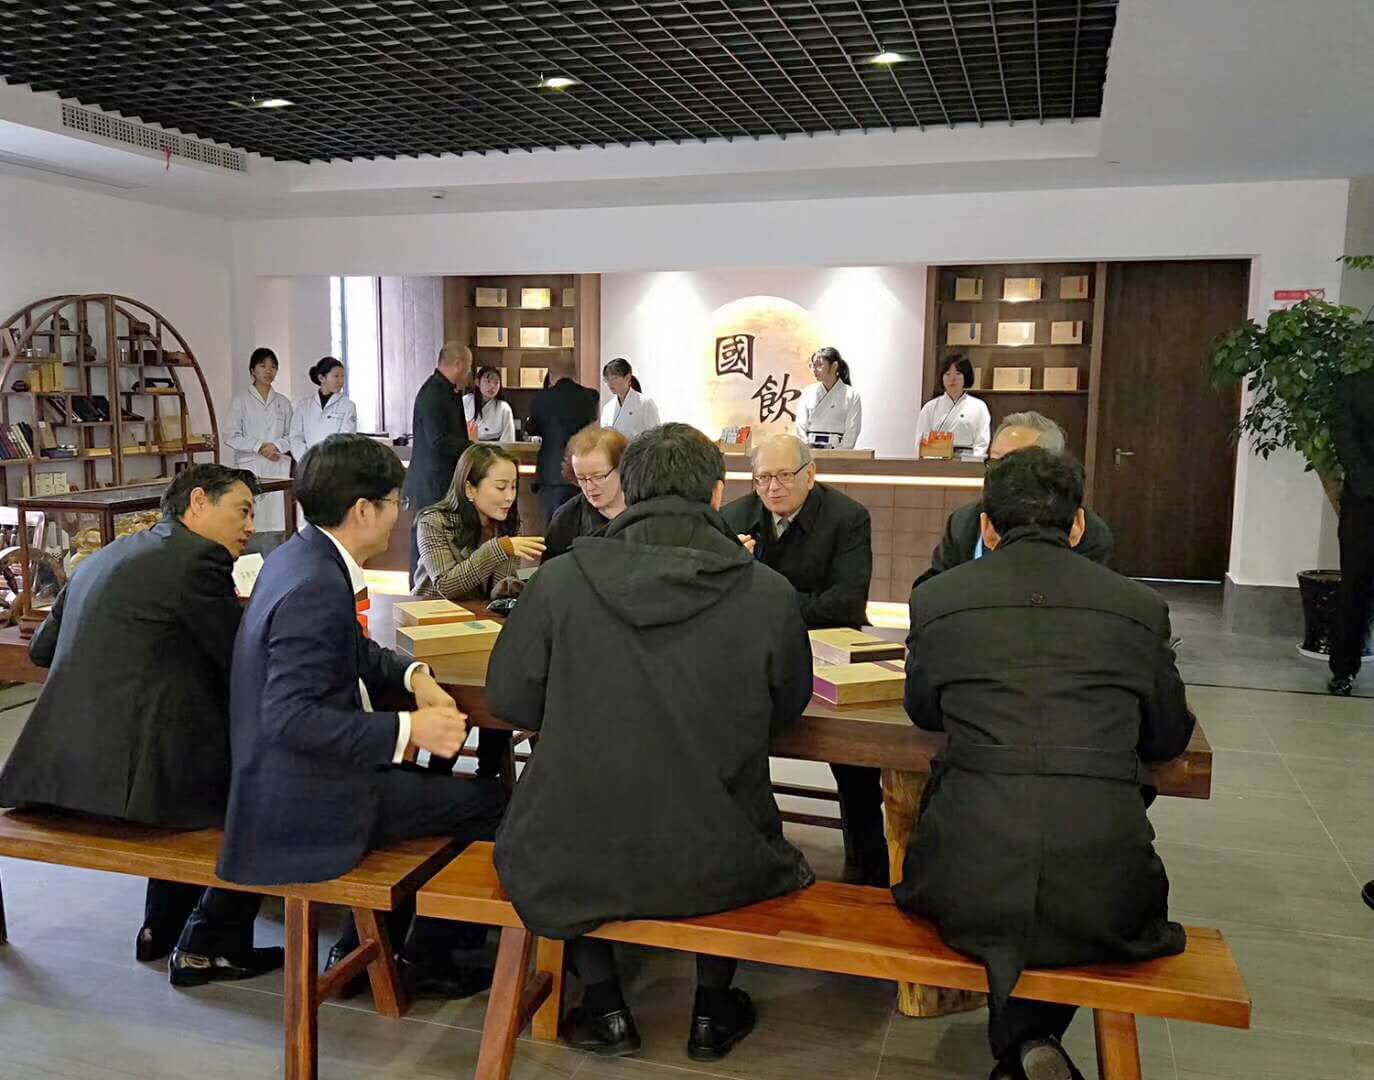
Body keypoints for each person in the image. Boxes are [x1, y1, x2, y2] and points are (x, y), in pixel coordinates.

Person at [487, 423, 815, 1061]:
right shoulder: (767, 593)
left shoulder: (561, 581)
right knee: (728, 807)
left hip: (578, 845)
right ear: (716, 493)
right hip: (720, 850)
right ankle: (711, 1011)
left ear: (629, 492)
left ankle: (606, 1006)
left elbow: (510, 700)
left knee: (563, 821)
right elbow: (786, 705)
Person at [896, 448, 1195, 1080]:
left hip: (965, 870)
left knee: (1008, 898)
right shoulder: (1138, 607)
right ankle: (1029, 1046)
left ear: (987, 528)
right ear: (1078, 523)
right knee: (1070, 903)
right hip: (1106, 878)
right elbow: (1168, 737)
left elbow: (923, 711)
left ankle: (1022, 1049)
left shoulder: (939, 600)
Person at [214, 434, 507, 996]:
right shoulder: (316, 584)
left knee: (446, 786)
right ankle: (425, 958)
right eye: (395, 502)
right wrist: (408, 727)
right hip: (306, 803)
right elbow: (291, 718)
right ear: (364, 510)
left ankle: (377, 946)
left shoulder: (302, 556)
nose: (400, 515)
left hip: (290, 781)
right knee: (492, 803)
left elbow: (354, 648)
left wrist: (414, 676)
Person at [0, 465, 281, 984]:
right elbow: (242, 664)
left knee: (183, 744)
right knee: (269, 784)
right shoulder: (199, 559)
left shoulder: (105, 555)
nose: (249, 525)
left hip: (57, 775)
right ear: (199, 501)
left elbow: (41, 650)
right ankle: (213, 946)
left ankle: (160, 927)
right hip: (129, 786)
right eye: (242, 510)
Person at [720, 434, 885, 886]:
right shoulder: (734, 518)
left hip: (830, 647)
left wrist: (768, 599)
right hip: (756, 653)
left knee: (857, 761)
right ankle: (746, 849)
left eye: (783, 476)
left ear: (810, 474)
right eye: (762, 478)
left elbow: (846, 601)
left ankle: (869, 865)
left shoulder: (847, 517)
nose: (772, 488)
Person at [414, 443, 544, 779]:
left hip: (482, 631)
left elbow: (497, 592)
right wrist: (498, 549)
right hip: (435, 634)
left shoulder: (507, 525)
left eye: (513, 487)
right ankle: (440, 778)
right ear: (470, 489)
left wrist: (514, 586)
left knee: (501, 689)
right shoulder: (433, 522)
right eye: (500, 487)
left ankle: (490, 779)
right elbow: (446, 585)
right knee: (468, 700)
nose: (509, 497)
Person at [917, 412, 1114, 587]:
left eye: (1016, 466)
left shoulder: (1088, 532)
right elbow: (933, 588)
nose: (1000, 476)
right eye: (995, 463)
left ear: (1053, 471)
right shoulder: (964, 522)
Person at [404, 342, 473, 580]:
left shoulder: (448, 391)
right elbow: (438, 441)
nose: (469, 373)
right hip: (431, 481)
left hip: (443, 478)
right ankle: (418, 588)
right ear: (459, 364)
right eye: (468, 367)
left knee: (441, 537)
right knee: (424, 536)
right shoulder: (432, 394)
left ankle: (438, 583)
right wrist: (472, 445)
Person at [1329, 368, 1374, 697]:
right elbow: (1346, 442)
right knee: (1355, 585)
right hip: (1364, 503)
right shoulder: (1353, 386)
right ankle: (1344, 670)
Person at [224, 346, 293, 552]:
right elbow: (230, 435)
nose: (268, 371)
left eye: (273, 367)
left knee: (278, 523)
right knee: (253, 520)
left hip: (278, 466)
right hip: (251, 466)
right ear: (252, 370)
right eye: (263, 366)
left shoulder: (283, 402)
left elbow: (293, 435)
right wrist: (259, 447)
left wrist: (277, 446)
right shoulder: (240, 401)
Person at [527, 353, 599, 526]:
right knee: (580, 526)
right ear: (574, 372)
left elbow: (532, 428)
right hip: (581, 472)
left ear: (551, 373)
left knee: (553, 527)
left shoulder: (542, 398)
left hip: (551, 474)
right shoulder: (590, 396)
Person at [541, 424, 628, 562]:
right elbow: (550, 570)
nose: (589, 487)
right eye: (581, 479)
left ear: (622, 468)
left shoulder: (645, 508)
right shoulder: (566, 519)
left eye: (598, 477)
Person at [915, 353, 992, 461]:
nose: (952, 378)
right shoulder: (930, 408)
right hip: (936, 464)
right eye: (947, 374)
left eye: (958, 373)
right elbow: (921, 441)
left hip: (968, 463)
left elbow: (982, 442)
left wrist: (970, 461)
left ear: (966, 376)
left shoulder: (979, 407)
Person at [288, 356, 357, 461]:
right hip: (308, 463)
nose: (341, 381)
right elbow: (295, 436)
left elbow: (347, 439)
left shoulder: (348, 406)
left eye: (343, 376)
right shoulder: (304, 405)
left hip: (335, 463)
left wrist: (327, 461)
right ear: (321, 378)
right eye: (336, 376)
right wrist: (307, 460)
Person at [795, 346, 862, 449]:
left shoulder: (851, 395)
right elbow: (800, 426)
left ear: (834, 366)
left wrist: (841, 452)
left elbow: (852, 430)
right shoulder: (808, 392)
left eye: (819, 365)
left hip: (837, 449)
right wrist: (806, 449)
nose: (814, 369)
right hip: (810, 449)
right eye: (813, 365)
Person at [599, 357, 660, 440]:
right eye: (607, 379)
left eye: (614, 378)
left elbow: (656, 436)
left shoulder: (645, 403)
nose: (610, 383)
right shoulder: (608, 407)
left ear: (627, 377)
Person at [464, 365, 516, 443]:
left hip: (494, 449)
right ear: (477, 382)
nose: (492, 386)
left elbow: (508, 440)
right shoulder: (465, 401)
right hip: (466, 447)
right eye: (488, 381)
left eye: (496, 383)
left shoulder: (504, 408)